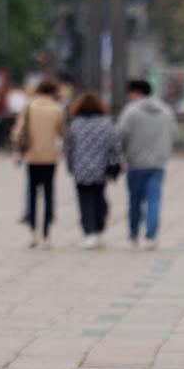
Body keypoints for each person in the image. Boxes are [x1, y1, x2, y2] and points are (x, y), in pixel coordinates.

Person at [117, 78, 177, 249]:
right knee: (154, 200)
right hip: (158, 163)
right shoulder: (166, 111)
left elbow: (121, 135)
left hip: (135, 164)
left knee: (135, 201)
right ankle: (151, 235)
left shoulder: (130, 111)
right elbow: (174, 133)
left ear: (135, 92)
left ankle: (134, 234)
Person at [65, 92, 122, 250]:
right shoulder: (107, 123)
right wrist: (117, 162)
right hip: (100, 167)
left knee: (84, 200)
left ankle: (89, 231)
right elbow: (115, 145)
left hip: (81, 168)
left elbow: (69, 148)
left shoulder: (75, 124)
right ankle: (99, 227)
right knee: (99, 197)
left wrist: (70, 166)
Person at [18, 78, 66, 248]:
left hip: (32, 157)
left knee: (32, 193)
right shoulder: (57, 109)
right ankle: (46, 233)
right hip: (50, 157)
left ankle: (33, 231)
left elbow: (17, 132)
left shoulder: (29, 108)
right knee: (48, 194)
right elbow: (62, 132)